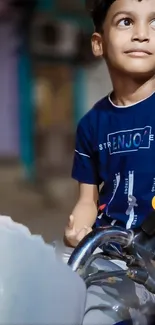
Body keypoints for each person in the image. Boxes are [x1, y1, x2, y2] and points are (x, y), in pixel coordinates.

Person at [64, 0, 155, 248]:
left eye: (154, 23)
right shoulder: (91, 124)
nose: (141, 35)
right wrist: (79, 230)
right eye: (126, 22)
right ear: (98, 43)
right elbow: (87, 200)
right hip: (110, 253)